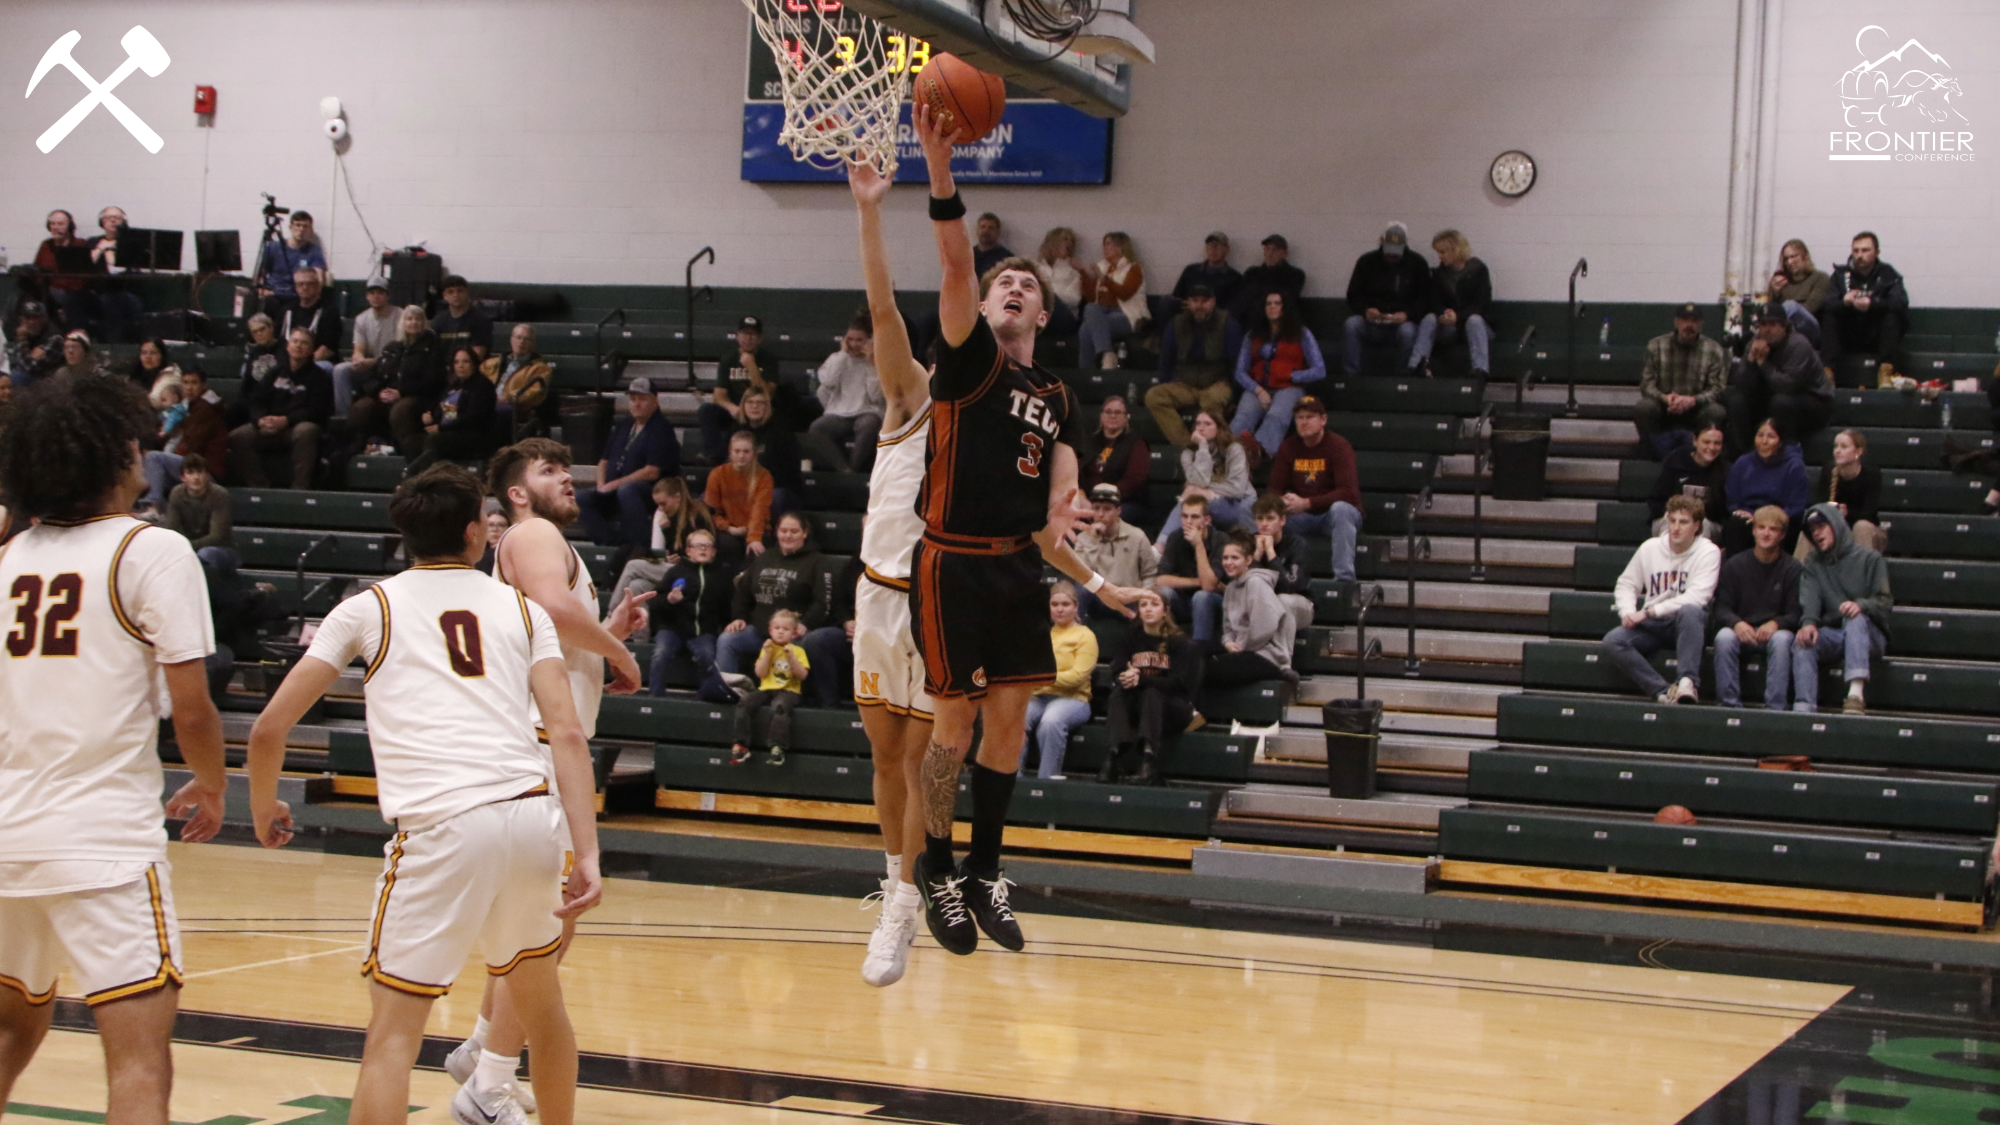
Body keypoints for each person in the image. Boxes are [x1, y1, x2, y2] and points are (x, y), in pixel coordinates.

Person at [245, 464, 603, 1125]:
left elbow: (269, 727)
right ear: (476, 532)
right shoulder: (524, 610)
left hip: (443, 824)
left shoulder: (368, 606)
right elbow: (568, 735)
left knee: (392, 1037)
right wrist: (587, 852)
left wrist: (264, 807)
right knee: (543, 1012)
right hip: (529, 817)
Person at [907, 105, 1135, 958]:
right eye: (1005, 280)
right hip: (951, 562)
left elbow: (1058, 501)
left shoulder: (1059, 395)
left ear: (1044, 311)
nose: (1014, 286)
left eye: (1028, 284)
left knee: (1008, 727)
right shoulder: (968, 355)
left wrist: (1091, 554)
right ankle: (936, 864)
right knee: (953, 732)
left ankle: (985, 871)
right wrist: (939, 166)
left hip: (1014, 571)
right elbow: (955, 256)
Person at [0, 374, 230, 1125]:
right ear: (108, 456)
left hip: (8, 835)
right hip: (104, 843)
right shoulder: (152, 549)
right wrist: (211, 783)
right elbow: (191, 708)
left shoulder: (9, 560)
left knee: (7, 1028)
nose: (143, 454)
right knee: (138, 1061)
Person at [451, 441, 648, 1108]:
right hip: (534, 749)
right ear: (516, 493)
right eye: (547, 471)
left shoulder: (530, 543)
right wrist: (622, 653)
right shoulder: (534, 533)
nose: (566, 477)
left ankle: (480, 1046)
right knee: (548, 926)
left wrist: (605, 632)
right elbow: (558, 612)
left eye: (567, 467)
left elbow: (554, 632)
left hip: (530, 747)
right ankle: (490, 1082)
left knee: (529, 924)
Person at [841, 160, 943, 987]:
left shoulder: (998, 419)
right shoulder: (912, 395)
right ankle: (892, 880)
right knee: (883, 760)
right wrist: (870, 213)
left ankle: (905, 900)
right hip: (878, 594)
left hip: (937, 602)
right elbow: (882, 307)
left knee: (917, 764)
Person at [1601, 495, 1721, 704]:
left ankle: (1687, 682)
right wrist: (1627, 611)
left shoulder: (1708, 551)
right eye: (1672, 521)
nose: (1676, 528)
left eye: (1683, 522)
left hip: (1688, 624)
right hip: (1654, 625)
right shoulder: (1650, 547)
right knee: (1614, 640)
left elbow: (1698, 596)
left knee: (1691, 610)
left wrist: (1648, 612)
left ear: (1697, 526)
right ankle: (1662, 692)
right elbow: (1627, 583)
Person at [715, 512, 843, 694]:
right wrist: (739, 617)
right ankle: (728, 693)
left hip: (794, 635)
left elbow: (824, 602)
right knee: (728, 639)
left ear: (804, 533)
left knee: (803, 647)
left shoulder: (818, 562)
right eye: (783, 531)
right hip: (762, 631)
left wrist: (806, 624)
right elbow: (743, 592)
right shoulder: (765, 558)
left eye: (794, 531)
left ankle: (787, 698)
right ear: (777, 532)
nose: (788, 536)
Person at [1793, 504, 1893, 714]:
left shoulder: (1870, 558)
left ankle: (1855, 694)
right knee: (1804, 640)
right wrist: (1808, 623)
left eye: (1821, 526)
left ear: (1836, 524)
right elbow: (1810, 599)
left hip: (1870, 635)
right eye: (1813, 530)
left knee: (1854, 618)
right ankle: (1804, 708)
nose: (1817, 533)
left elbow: (1884, 602)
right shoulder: (1813, 563)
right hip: (1837, 634)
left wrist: (1861, 605)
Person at [1100, 588, 1199, 785]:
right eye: (1143, 605)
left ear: (1165, 610)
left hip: (1174, 708)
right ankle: (1112, 757)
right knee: (1119, 692)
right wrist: (1125, 677)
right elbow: (1117, 669)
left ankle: (1149, 761)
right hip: (1139, 705)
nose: (1148, 609)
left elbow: (1179, 684)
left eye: (1154, 604)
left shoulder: (1179, 642)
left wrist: (1142, 679)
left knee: (1152, 693)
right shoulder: (1131, 635)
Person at [1711, 506, 1801, 710]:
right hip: (1743, 630)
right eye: (1761, 527)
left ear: (1783, 535)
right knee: (1724, 637)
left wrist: (1776, 623)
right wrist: (1737, 623)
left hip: (1773, 633)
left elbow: (1796, 612)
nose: (1766, 533)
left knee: (1783, 639)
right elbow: (1721, 607)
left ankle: (1775, 707)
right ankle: (1728, 705)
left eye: (1773, 529)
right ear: (1753, 530)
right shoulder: (1735, 565)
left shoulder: (1793, 568)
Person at [1267, 396, 1365, 583]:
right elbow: (1273, 489)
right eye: (1299, 417)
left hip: (1331, 515)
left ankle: (1344, 581)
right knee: (1267, 515)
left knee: (1341, 509)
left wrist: (1307, 503)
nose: (1303, 422)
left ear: (1323, 420)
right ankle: (1276, 578)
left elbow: (1349, 493)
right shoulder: (1289, 446)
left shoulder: (1338, 445)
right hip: (1301, 516)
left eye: (1309, 417)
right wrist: (1282, 501)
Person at [580, 378, 680, 548]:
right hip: (614, 489)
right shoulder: (625, 424)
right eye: (633, 399)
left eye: (642, 399)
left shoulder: (661, 428)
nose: (636, 404)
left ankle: (640, 546)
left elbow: (651, 471)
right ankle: (609, 544)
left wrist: (613, 485)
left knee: (627, 491)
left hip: (649, 492)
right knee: (581, 497)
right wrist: (601, 485)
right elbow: (603, 461)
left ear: (655, 401)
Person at [228, 327, 332, 489]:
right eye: (295, 341)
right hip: (268, 426)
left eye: (304, 343)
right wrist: (260, 420)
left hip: (295, 428)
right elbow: (256, 401)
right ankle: (259, 487)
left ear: (312, 349)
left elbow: (318, 410)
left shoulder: (319, 376)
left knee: (306, 431)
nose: (298, 346)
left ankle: (300, 489)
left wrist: (286, 420)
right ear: (288, 346)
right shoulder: (274, 372)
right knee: (237, 436)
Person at [1231, 291, 1327, 458]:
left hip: (1289, 388)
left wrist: (1292, 375)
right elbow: (1240, 371)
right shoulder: (1253, 335)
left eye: (1277, 303)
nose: (1272, 307)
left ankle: (1258, 452)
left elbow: (1320, 370)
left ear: (1285, 307)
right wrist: (1258, 390)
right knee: (1243, 417)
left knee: (1276, 416)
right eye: (1268, 304)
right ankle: (1229, 452)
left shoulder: (1301, 333)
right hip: (1259, 387)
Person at [1148, 284, 1243, 448]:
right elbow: (1166, 360)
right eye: (1195, 301)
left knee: (1210, 400)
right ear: (1188, 302)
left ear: (1213, 302)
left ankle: (1209, 446)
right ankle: (1188, 444)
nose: (1199, 305)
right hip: (1184, 383)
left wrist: (1234, 392)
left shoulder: (1228, 323)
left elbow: (1236, 362)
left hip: (1217, 382)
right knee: (1154, 396)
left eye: (1204, 301)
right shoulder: (1176, 323)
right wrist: (1168, 382)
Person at [1727, 306, 1832, 454]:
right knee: (1737, 401)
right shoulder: (1754, 344)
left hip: (1813, 400)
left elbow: (1787, 386)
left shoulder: (1798, 344)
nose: (1767, 330)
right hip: (1774, 397)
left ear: (1784, 326)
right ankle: (1743, 456)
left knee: (1781, 402)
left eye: (1773, 324)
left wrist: (1763, 363)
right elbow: (1742, 386)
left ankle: (1786, 453)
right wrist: (1751, 361)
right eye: (1763, 325)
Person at [1021, 582, 1097, 780]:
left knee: (1051, 721)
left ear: (1076, 607)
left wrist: (1042, 678)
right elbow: (1027, 670)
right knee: (1017, 719)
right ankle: (1013, 779)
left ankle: (1046, 780)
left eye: (1065, 604)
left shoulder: (1085, 636)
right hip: (1037, 697)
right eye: (1054, 604)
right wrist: (1040, 679)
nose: (1060, 609)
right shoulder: (1040, 633)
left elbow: (1077, 677)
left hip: (1074, 699)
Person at [1204, 534, 1297, 691]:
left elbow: (1263, 629)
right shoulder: (1231, 588)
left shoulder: (1256, 583)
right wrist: (1227, 642)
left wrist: (1240, 646)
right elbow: (1228, 628)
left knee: (1212, 670)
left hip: (1267, 656)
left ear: (1248, 560)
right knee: (1199, 660)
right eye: (1225, 558)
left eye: (1235, 558)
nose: (1228, 562)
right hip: (1244, 652)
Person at [1636, 304, 1729, 459]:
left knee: (1716, 411)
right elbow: (1647, 384)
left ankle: (1703, 455)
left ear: (1701, 325)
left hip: (1697, 409)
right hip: (1665, 407)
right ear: (1676, 322)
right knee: (1644, 407)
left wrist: (1693, 400)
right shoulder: (1656, 346)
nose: (1689, 325)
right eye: (1685, 320)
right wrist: (1665, 398)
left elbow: (1717, 388)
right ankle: (1651, 456)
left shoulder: (1714, 350)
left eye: (1694, 321)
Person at [648, 528, 733, 697]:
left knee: (708, 656)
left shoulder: (721, 576)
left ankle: (705, 697)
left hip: (702, 631)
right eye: (698, 546)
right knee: (660, 654)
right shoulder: (676, 572)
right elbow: (654, 600)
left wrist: (727, 624)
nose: (703, 549)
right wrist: (669, 600)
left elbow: (727, 606)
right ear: (688, 551)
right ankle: (654, 697)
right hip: (672, 628)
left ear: (714, 552)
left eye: (707, 546)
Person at [351, 306, 447, 456]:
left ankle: (404, 453)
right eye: (409, 319)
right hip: (387, 395)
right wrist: (379, 391)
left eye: (417, 319)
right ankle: (361, 448)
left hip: (417, 397)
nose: (413, 322)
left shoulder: (433, 348)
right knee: (362, 407)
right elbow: (373, 373)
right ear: (403, 322)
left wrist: (401, 392)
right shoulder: (392, 348)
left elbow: (433, 381)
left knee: (400, 410)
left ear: (424, 323)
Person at [1342, 222, 1429, 375]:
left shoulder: (1418, 263)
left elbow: (1425, 298)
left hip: (1402, 323)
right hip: (1372, 322)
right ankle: (1351, 375)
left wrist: (1407, 314)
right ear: (1381, 242)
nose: (1392, 255)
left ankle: (1402, 376)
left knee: (1408, 332)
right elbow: (1354, 294)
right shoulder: (1366, 261)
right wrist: (1365, 310)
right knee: (1352, 324)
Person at [612, 475, 717, 601]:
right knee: (637, 585)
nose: (661, 508)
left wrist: (668, 531)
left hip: (692, 571)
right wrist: (667, 555)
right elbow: (672, 550)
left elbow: (695, 551)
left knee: (633, 566)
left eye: (663, 503)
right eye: (658, 505)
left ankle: (611, 615)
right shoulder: (671, 518)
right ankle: (640, 620)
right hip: (676, 567)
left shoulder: (696, 517)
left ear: (677, 497)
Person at [727, 608, 810, 766]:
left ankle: (777, 747)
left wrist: (791, 657)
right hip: (767, 687)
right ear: (770, 631)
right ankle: (741, 744)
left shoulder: (798, 651)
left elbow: (802, 675)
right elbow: (760, 673)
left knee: (779, 707)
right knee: (744, 703)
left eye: (785, 629)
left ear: (793, 633)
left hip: (789, 690)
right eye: (777, 628)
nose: (780, 632)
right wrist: (766, 655)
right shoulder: (767, 649)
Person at [803, 315, 886, 473]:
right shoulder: (837, 358)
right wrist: (842, 355)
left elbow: (875, 396)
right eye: (850, 339)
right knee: (817, 427)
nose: (854, 344)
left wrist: (871, 364)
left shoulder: (879, 363)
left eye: (859, 340)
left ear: (870, 340)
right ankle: (843, 469)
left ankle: (854, 468)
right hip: (839, 412)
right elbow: (827, 381)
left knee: (869, 425)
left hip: (868, 411)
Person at [1157, 410, 1252, 544]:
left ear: (1219, 428)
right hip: (1205, 505)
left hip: (1237, 506)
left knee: (1192, 496)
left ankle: (1160, 546)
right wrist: (1202, 447)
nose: (1201, 428)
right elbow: (1199, 481)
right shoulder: (1188, 453)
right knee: (1191, 503)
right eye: (1198, 424)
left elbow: (1237, 490)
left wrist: (1204, 491)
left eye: (1208, 424)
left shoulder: (1234, 449)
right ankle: (1167, 548)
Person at [1826, 232, 1910, 386]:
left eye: (1865, 250)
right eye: (1856, 250)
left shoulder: (1888, 274)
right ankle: (1827, 374)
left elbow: (1900, 302)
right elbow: (1826, 303)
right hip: (1848, 335)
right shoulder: (1840, 275)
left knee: (1892, 316)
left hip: (1877, 336)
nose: (1859, 255)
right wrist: (1844, 302)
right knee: (1830, 316)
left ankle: (1885, 372)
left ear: (1877, 252)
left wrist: (1873, 303)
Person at [1409, 229, 1494, 378]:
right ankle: (1416, 364)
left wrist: (1458, 316)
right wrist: (1445, 314)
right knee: (1429, 318)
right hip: (1450, 326)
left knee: (1474, 320)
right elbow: (1434, 302)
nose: (1439, 256)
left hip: (1475, 327)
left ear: (1455, 250)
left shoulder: (1478, 270)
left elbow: (1481, 304)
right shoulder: (1439, 274)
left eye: (1443, 252)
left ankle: (1480, 369)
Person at [697, 316, 781, 464]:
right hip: (735, 409)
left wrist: (752, 368)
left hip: (758, 408)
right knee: (706, 410)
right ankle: (714, 455)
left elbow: (767, 394)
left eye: (752, 334)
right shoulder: (728, 359)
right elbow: (719, 395)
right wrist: (732, 408)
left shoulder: (769, 360)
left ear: (760, 338)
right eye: (744, 334)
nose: (748, 338)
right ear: (737, 336)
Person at [1722, 418, 1811, 556]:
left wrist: (1763, 519)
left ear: (1780, 441)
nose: (1764, 441)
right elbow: (1732, 501)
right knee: (1735, 524)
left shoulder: (1794, 466)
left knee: (1773, 530)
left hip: (1779, 520)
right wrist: (1748, 515)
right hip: (1747, 517)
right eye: (1760, 435)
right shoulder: (1742, 463)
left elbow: (1796, 507)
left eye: (1770, 436)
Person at [143, 367, 229, 507]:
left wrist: (168, 455)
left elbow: (192, 445)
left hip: (205, 472)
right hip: (187, 468)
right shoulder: (185, 406)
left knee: (154, 458)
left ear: (203, 385)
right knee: (147, 470)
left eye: (194, 383)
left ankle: (154, 506)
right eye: (185, 383)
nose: (189, 388)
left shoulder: (206, 408)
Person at [405, 347, 499, 475]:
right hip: (448, 431)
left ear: (474, 363)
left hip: (473, 435)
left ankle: (427, 481)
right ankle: (413, 480)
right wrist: (430, 415)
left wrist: (442, 428)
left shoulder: (482, 386)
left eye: (465, 362)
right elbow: (439, 406)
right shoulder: (453, 385)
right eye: (456, 362)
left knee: (434, 440)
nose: (460, 366)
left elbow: (474, 417)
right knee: (412, 442)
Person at [1075, 483, 1159, 618]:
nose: (1101, 514)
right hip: (1100, 598)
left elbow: (1149, 574)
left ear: (1118, 511)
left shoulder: (1136, 536)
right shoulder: (1083, 539)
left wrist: (1143, 597)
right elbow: (1081, 576)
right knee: (1080, 591)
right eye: (1096, 508)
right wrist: (1093, 541)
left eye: (1107, 509)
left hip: (1130, 599)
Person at [1155, 495, 1225, 642]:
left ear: (1207, 520)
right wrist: (1197, 581)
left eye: (1194, 517)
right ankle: (1162, 647)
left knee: (1201, 597)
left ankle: (1198, 651)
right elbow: (1160, 580)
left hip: (1215, 602)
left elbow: (1208, 587)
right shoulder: (1175, 537)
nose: (1188, 522)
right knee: (1163, 593)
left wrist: (1199, 545)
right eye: (1185, 516)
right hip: (1184, 599)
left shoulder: (1221, 540)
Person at [1806, 429, 1886, 555]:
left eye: (1844, 447)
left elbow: (1869, 513)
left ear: (1858, 452)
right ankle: (1801, 573)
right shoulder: (1828, 471)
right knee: (1811, 527)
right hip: (1835, 529)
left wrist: (1845, 513)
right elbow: (1819, 505)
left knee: (1862, 527)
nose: (1837, 450)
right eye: (1836, 446)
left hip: (1866, 530)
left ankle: (1862, 572)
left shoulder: (1871, 474)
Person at [332, 276, 400, 419]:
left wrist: (374, 361)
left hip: (394, 366)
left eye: (380, 292)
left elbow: (399, 352)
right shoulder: (361, 319)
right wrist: (359, 359)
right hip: (370, 367)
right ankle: (344, 417)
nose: (376, 296)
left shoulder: (399, 315)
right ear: (367, 296)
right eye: (372, 292)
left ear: (387, 295)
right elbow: (358, 349)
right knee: (340, 370)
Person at [1647, 423, 1728, 539]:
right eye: (1706, 442)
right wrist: (1672, 515)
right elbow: (1656, 499)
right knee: (1671, 524)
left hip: (1707, 524)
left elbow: (1724, 511)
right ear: (1695, 441)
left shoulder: (1726, 470)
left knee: (1700, 525)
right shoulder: (1675, 461)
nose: (1711, 447)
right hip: (1671, 517)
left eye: (1717, 443)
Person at [1081, 232, 1148, 369]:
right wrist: (1082, 272)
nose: (1104, 248)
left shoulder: (1134, 268)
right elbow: (1092, 298)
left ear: (1120, 247)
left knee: (1086, 329)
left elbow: (1125, 294)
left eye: (1108, 244)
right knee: (1089, 312)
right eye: (1103, 244)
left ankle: (1095, 366)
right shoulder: (1103, 267)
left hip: (1127, 314)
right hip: (1102, 312)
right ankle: (1106, 354)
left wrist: (1104, 279)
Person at [1079, 395, 1150, 523]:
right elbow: (1077, 473)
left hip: (1124, 502)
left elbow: (1134, 480)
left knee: (1107, 518)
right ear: (1101, 416)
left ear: (1126, 417)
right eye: (1108, 412)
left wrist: (1105, 501)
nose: (1113, 416)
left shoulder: (1136, 444)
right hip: (1089, 501)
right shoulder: (1089, 442)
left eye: (1118, 412)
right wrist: (1083, 497)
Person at [1251, 493, 1315, 630]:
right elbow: (1243, 585)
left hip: (1299, 603)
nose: (1264, 524)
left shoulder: (1297, 545)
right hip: (1264, 603)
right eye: (1260, 518)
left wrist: (1270, 553)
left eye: (1270, 518)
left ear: (1282, 520)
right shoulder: (1250, 543)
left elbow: (1291, 587)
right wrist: (1256, 556)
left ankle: (1282, 651)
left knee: (1282, 601)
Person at [705, 431, 774, 558]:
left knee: (755, 550)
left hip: (756, 529)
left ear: (754, 453)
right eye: (737, 451)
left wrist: (754, 537)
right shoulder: (718, 474)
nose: (741, 455)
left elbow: (760, 509)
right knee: (727, 546)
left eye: (746, 451)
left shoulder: (764, 476)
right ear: (730, 452)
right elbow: (710, 511)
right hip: (728, 529)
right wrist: (728, 527)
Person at [158, 454, 235, 565]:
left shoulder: (219, 494)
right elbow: (172, 529)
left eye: (200, 472)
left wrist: (186, 546)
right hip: (190, 548)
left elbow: (217, 536)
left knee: (205, 553)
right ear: (183, 477)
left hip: (222, 550)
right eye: (190, 473)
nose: (196, 477)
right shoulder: (177, 493)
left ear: (207, 475)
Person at [740, 387, 805, 517]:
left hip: (779, 489)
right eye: (750, 402)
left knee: (774, 497)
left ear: (767, 406)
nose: (754, 406)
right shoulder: (737, 430)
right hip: (745, 487)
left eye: (760, 403)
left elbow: (789, 472)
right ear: (743, 406)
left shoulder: (781, 432)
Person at [33, 209, 98, 334]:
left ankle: (74, 336)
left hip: (76, 292)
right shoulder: (46, 245)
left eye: (60, 224)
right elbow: (38, 269)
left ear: (70, 226)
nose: (56, 227)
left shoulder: (80, 244)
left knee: (69, 298)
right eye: (53, 224)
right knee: (22, 288)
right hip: (49, 290)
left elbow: (84, 277)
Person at [88, 206, 146, 344]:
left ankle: (114, 346)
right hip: (98, 292)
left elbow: (131, 273)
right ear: (101, 222)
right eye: (108, 218)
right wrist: (100, 249)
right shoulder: (93, 242)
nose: (113, 221)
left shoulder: (132, 243)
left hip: (127, 293)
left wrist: (112, 256)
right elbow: (86, 266)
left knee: (113, 300)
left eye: (117, 218)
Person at [485, 323, 553, 437]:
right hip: (487, 403)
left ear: (533, 343)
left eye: (527, 339)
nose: (521, 342)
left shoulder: (540, 369)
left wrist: (508, 397)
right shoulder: (491, 364)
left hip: (515, 408)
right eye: (518, 337)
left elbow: (535, 393)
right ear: (511, 339)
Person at [254, 211, 326, 309]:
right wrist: (261, 290)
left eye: (305, 226)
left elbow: (318, 278)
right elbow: (261, 274)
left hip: (297, 296)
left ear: (310, 230)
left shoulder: (314, 251)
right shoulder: (274, 247)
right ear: (290, 228)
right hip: (273, 294)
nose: (301, 229)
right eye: (298, 225)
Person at [1767, 239, 1832, 346]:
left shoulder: (1820, 278)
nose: (1789, 262)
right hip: (1784, 328)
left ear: (1804, 256)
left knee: (1791, 306)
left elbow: (1811, 308)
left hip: (1811, 328)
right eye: (1786, 259)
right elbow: (1769, 312)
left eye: (1793, 257)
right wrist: (1775, 293)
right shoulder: (1779, 281)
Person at [1233, 234, 1305, 326]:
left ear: (1285, 254)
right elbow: (1242, 299)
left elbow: (1287, 299)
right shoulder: (1252, 273)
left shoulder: (1295, 274)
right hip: (1252, 322)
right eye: (1267, 249)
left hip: (1280, 324)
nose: (1270, 253)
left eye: (1275, 250)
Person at [276, 267, 342, 362]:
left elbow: (328, 349)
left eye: (310, 284)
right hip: (287, 363)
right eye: (300, 284)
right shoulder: (287, 310)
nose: (305, 287)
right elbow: (277, 339)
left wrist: (302, 366)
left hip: (317, 363)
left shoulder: (329, 312)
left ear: (318, 286)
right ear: (296, 287)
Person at [1171, 232, 1244, 314]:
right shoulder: (1191, 270)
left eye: (1218, 246)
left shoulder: (1235, 278)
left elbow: (1234, 308)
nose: (1213, 250)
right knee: (1166, 302)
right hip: (1188, 315)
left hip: (1216, 319)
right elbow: (1176, 297)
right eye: (1210, 246)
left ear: (1226, 249)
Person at [430, 275, 494, 361]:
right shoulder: (438, 321)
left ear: (467, 293)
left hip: (471, 370)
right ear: (445, 296)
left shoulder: (481, 320)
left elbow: (477, 356)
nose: (456, 295)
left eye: (460, 291)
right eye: (451, 292)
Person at [7, 300, 62, 386]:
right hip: (27, 378)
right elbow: (12, 360)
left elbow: (29, 367)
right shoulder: (21, 331)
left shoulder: (54, 337)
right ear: (21, 319)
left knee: (18, 376)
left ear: (44, 318)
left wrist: (22, 340)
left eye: (35, 317)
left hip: (46, 383)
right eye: (28, 317)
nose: (31, 321)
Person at [239, 313, 285, 387]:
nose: (259, 334)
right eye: (255, 332)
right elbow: (247, 382)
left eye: (262, 329)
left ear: (271, 328)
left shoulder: (285, 349)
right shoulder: (253, 353)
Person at [972, 212, 1013, 278]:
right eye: (983, 227)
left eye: (991, 228)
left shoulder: (1007, 259)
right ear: (977, 230)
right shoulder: (968, 255)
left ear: (998, 232)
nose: (986, 231)